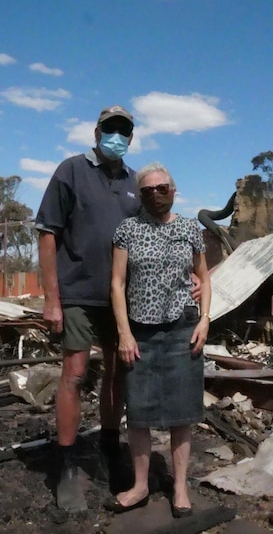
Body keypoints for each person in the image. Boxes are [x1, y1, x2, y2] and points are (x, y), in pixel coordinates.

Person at [36, 105, 140, 513]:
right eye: (110, 128)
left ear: (130, 137)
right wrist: (51, 298)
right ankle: (66, 466)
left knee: (117, 375)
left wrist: (192, 272)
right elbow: (48, 235)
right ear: (97, 131)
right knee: (75, 375)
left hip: (121, 298)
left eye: (124, 130)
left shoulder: (135, 182)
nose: (117, 135)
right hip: (77, 293)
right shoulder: (71, 170)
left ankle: (111, 450)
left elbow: (152, 236)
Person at [106, 162, 212, 518]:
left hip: (183, 328)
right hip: (141, 333)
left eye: (161, 188)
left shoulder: (189, 229)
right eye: (147, 190)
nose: (155, 195)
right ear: (140, 195)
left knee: (183, 413)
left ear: (173, 189)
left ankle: (180, 487)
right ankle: (140, 485)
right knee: (139, 413)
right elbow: (117, 284)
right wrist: (123, 332)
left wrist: (205, 320)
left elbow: (204, 278)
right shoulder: (127, 231)